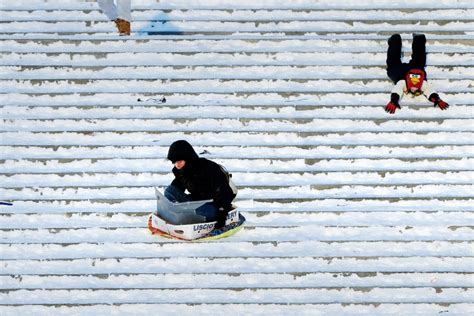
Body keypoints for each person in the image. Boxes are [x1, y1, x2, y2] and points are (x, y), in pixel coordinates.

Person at [163, 140, 237, 229]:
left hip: (214, 206)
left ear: (187, 158)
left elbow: (224, 193)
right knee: (169, 191)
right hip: (195, 202)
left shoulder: (209, 168)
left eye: (179, 161)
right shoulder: (181, 171)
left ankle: (183, 215)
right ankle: (177, 215)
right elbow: (177, 188)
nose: (177, 165)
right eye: (174, 162)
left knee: (196, 211)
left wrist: (222, 217)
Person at [385, 33, 449, 114]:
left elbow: (429, 91)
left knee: (419, 61)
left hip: (414, 69)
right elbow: (429, 91)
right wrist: (393, 101)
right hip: (402, 72)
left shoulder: (422, 84)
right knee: (393, 62)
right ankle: (396, 40)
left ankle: (417, 40)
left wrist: (437, 100)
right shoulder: (410, 83)